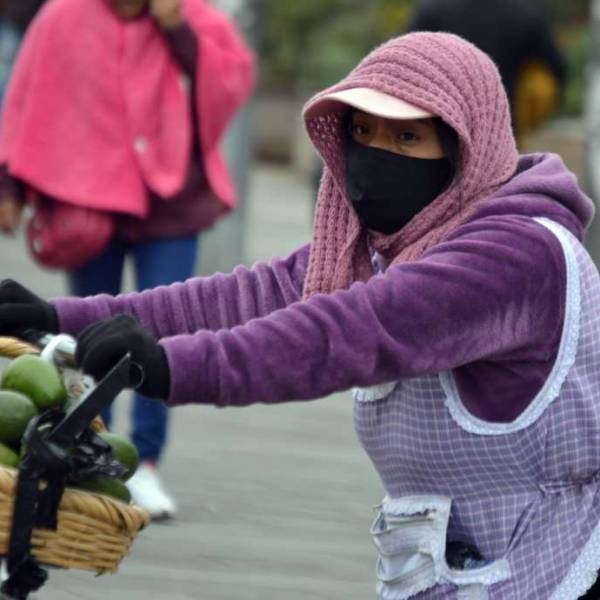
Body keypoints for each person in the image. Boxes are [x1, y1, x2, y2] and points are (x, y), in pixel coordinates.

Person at [0, 31, 599, 598]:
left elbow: (348, 332)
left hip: (555, 561)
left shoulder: (516, 255)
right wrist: (59, 317)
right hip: (459, 566)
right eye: (363, 132)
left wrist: (168, 367)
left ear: (467, 150)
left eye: (408, 137)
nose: (379, 155)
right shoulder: (396, 242)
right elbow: (246, 297)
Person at [0, 0, 255, 519]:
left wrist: (176, 29)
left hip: (172, 204)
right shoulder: (63, 17)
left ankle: (147, 462)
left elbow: (228, 84)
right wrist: (10, 186)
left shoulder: (193, 15)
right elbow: (25, 100)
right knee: (88, 336)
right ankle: (92, 455)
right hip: (86, 199)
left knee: (164, 335)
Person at [408, 0, 566, 145]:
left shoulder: (434, 8)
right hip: (503, 129)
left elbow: (405, 60)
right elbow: (555, 71)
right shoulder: (525, 13)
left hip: (442, 128)